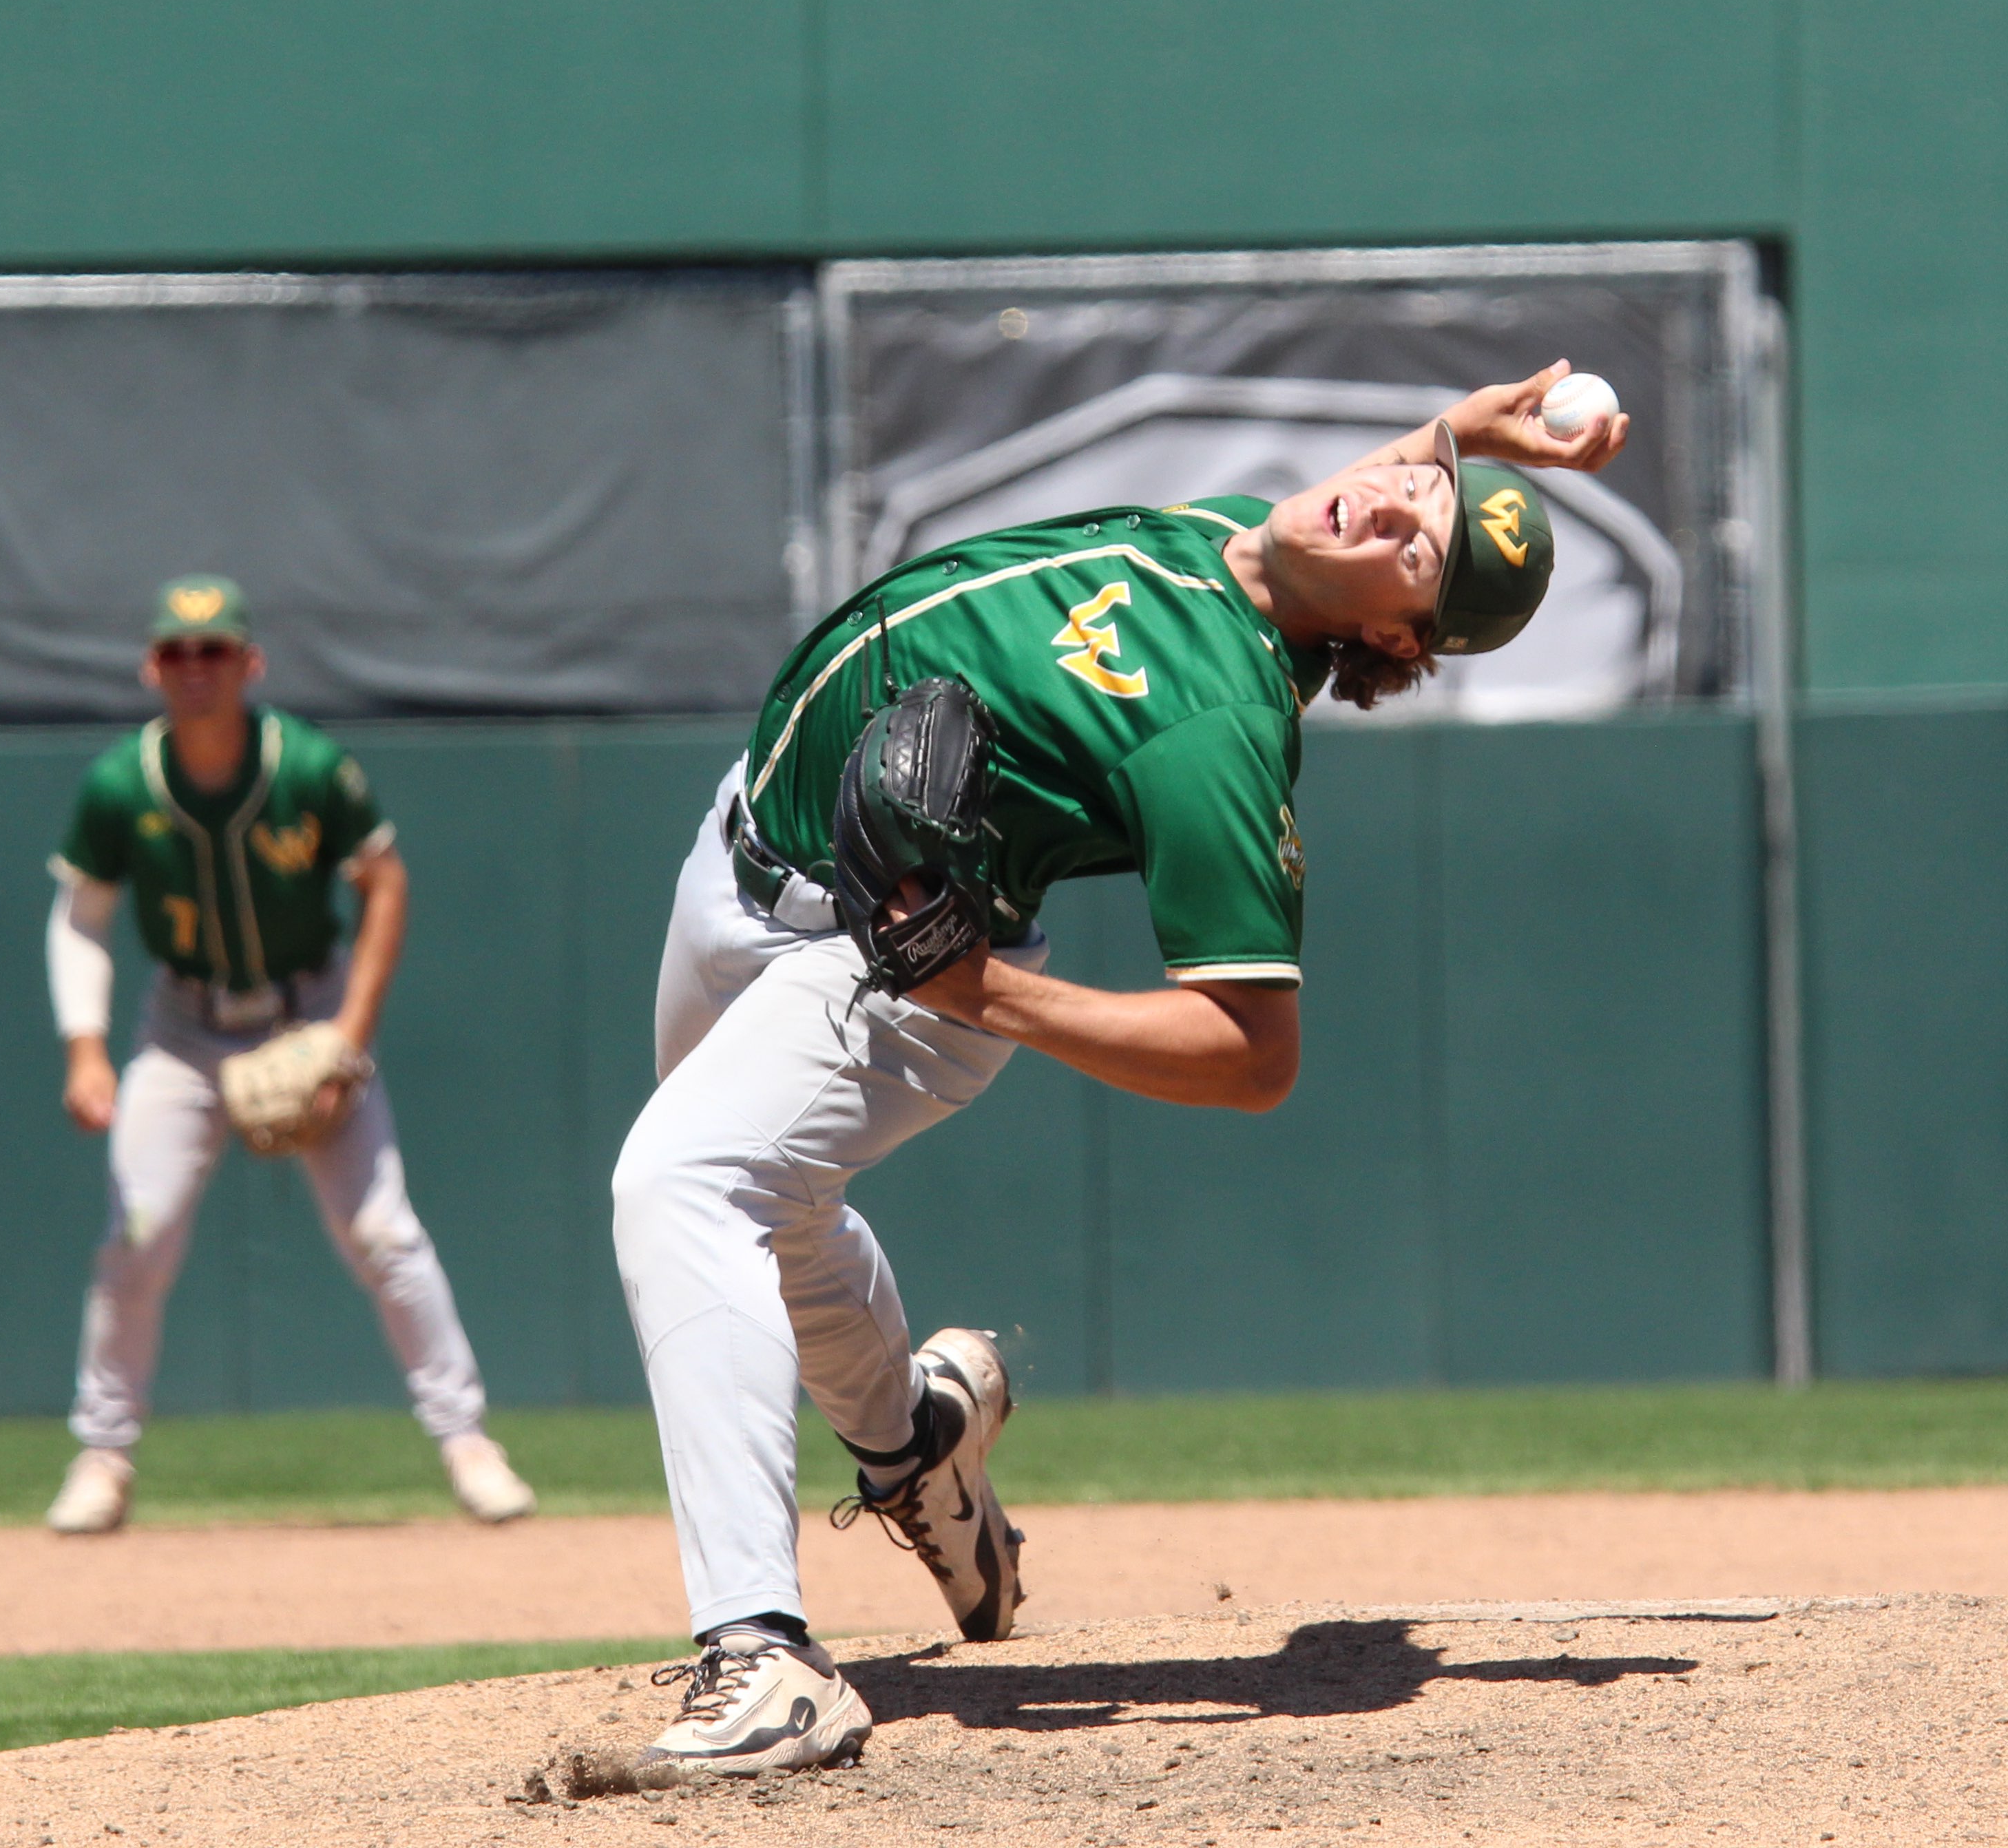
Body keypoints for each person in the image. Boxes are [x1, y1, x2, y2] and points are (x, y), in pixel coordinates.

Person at [614, 364, 1627, 1776]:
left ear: (1393, 631)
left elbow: (1251, 1054)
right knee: (772, 1220)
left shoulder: (1215, 726)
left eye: (1418, 544)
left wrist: (989, 986)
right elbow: (1367, 509)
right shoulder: (1268, 539)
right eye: (1414, 489)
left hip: (896, 961)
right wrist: (1462, 435)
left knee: (684, 1184)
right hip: (745, 861)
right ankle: (923, 1448)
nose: (1391, 500)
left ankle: (766, 1660)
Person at [42, 577, 536, 1535]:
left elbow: (383, 885)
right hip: (182, 1029)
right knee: (134, 1240)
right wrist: (85, 1050)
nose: (197, 669)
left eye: (214, 650)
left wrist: (347, 1040)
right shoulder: (118, 784)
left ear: (249, 662)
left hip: (307, 1009)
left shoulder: (306, 765)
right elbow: (83, 915)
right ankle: (104, 1456)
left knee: (384, 1234)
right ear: (153, 666)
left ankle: (468, 1441)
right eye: (178, 653)